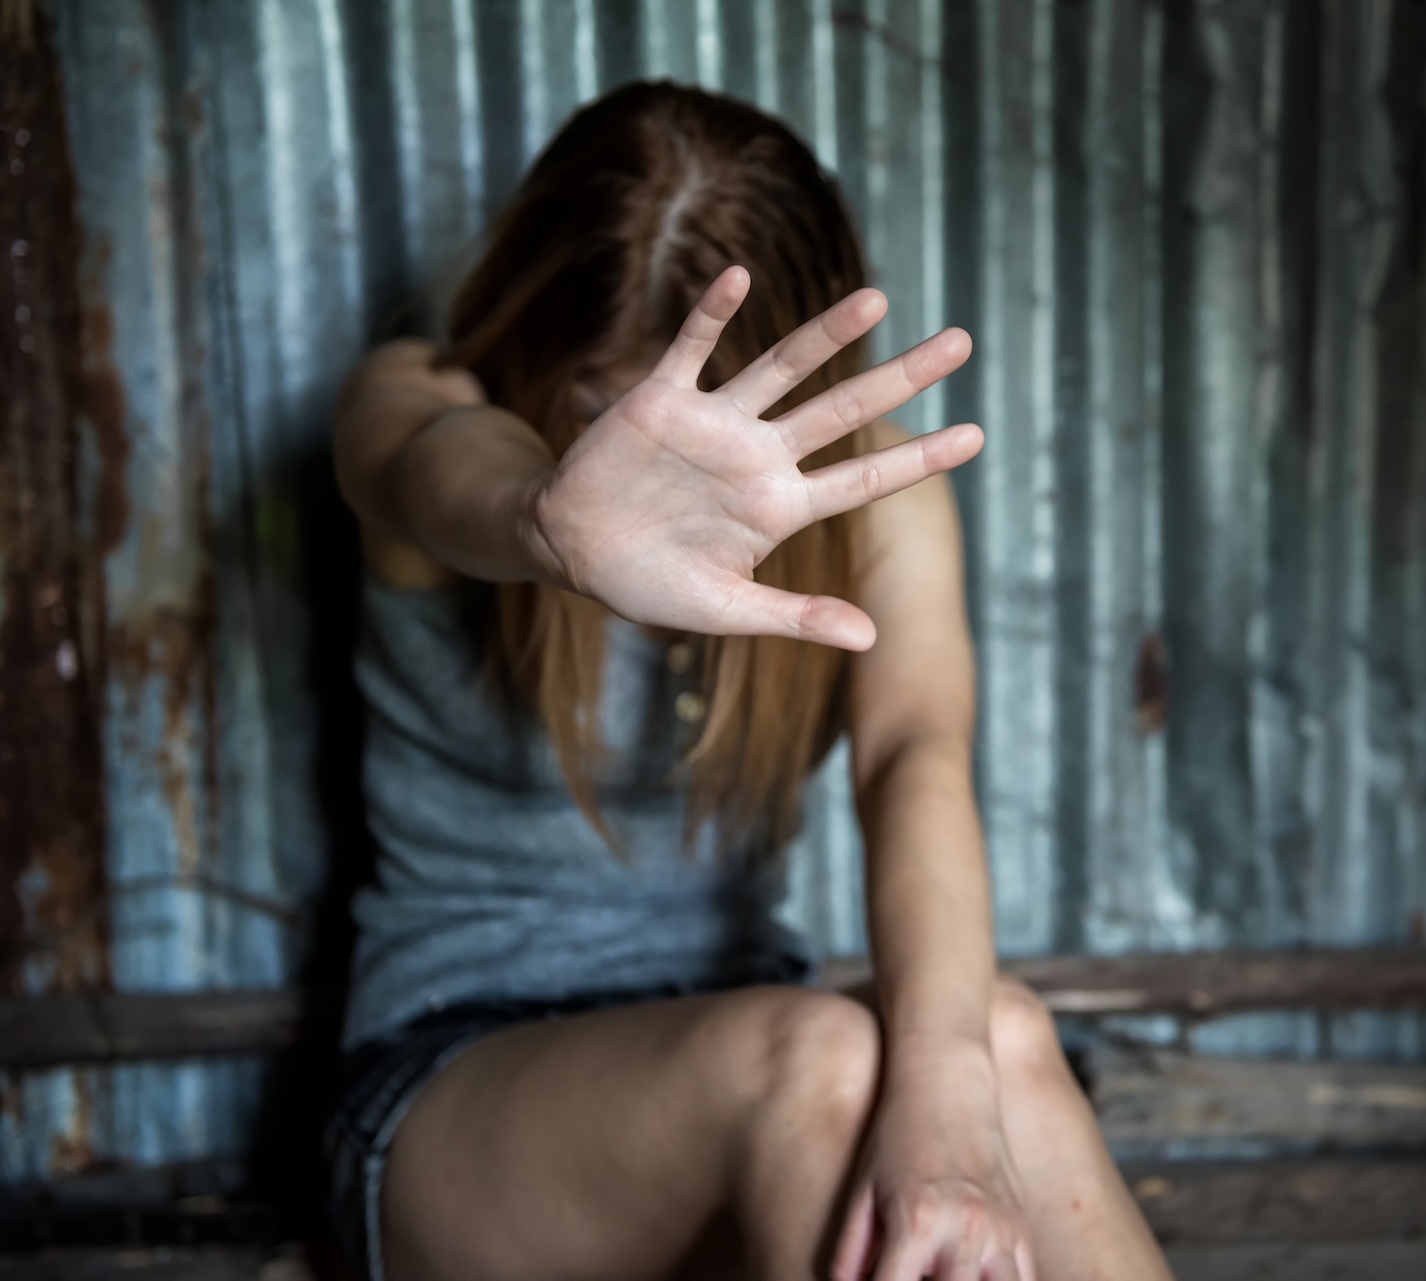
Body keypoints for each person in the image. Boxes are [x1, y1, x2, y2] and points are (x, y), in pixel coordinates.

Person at [324, 80, 1172, 1281]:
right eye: (601, 409)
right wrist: (544, 520)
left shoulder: (867, 495)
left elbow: (910, 756)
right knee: (819, 1065)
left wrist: (947, 1103)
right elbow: (425, 466)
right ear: (532, 328)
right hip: (462, 1094)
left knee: (995, 1036)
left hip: (754, 1067)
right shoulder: (421, 403)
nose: (657, 470)